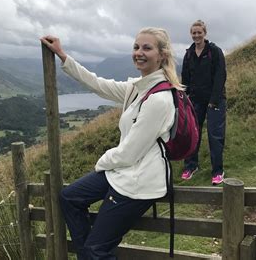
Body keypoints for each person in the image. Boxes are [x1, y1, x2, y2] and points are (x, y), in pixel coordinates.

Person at [40, 27, 182, 260]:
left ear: (162, 55)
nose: (139, 52)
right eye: (136, 47)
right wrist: (63, 56)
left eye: (147, 48)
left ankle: (91, 254)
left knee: (97, 250)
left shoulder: (159, 99)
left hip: (139, 181)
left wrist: (101, 162)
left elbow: (128, 153)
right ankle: (88, 255)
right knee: (70, 198)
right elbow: (97, 84)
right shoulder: (137, 89)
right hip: (122, 172)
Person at [180, 20, 227, 185]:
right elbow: (185, 78)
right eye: (193, 32)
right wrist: (184, 99)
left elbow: (220, 76)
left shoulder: (214, 51)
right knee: (192, 133)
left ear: (204, 33)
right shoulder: (189, 53)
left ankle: (218, 171)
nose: (196, 35)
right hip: (195, 100)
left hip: (215, 100)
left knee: (215, 135)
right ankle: (191, 166)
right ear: (191, 34)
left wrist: (214, 101)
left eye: (199, 32)